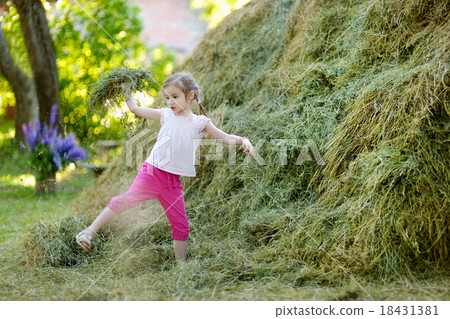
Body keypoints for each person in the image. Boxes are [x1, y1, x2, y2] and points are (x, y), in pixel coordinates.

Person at [76, 72, 254, 261]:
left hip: (172, 183)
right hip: (152, 173)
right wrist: (126, 90)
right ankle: (88, 232)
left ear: (191, 95)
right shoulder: (166, 114)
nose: (170, 102)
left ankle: (181, 267)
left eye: (175, 97)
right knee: (126, 200)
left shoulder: (201, 122)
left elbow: (225, 137)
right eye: (167, 97)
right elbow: (135, 109)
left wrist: (243, 140)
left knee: (181, 226)